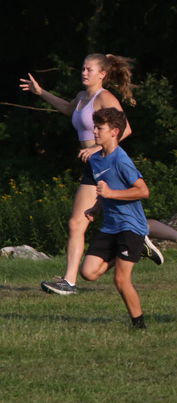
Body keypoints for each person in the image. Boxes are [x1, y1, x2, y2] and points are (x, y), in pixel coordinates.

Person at [21, 54, 137, 294]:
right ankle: (69, 281)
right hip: (93, 166)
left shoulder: (104, 97)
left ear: (102, 74)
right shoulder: (83, 97)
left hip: (108, 162)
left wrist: (97, 146)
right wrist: (40, 92)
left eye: (89, 69)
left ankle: (175, 239)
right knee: (78, 222)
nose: (84, 72)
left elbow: (126, 129)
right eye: (83, 68)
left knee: (106, 220)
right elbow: (66, 108)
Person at [70, 108, 149, 328]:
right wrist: (97, 207)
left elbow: (143, 191)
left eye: (99, 128)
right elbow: (107, 189)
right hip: (110, 226)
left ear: (114, 132)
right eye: (94, 127)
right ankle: (138, 250)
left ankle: (139, 326)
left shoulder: (121, 159)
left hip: (130, 226)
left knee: (120, 279)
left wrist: (110, 194)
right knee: (88, 272)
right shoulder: (95, 160)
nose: (94, 131)